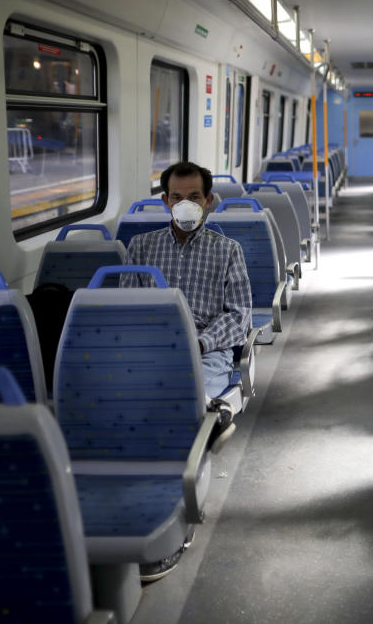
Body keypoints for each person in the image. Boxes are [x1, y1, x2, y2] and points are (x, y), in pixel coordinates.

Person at [120, 161, 251, 580]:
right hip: (151, 347)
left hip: (203, 348)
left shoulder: (228, 251)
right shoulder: (140, 250)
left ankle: (177, 515)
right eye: (177, 198)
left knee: (180, 405)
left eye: (194, 197)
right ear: (165, 202)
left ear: (209, 202)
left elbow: (240, 316)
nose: (185, 205)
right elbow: (128, 309)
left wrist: (198, 342)